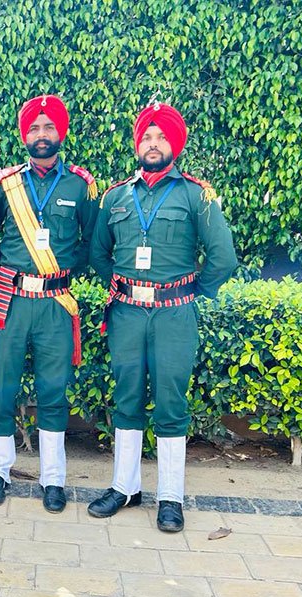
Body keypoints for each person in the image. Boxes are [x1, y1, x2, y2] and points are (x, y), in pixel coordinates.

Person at [88, 102, 237, 532]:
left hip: (174, 315)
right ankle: (125, 487)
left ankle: (170, 497)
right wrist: (120, 284)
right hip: (127, 313)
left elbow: (222, 257)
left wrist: (195, 290)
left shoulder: (196, 194)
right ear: (138, 144)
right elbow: (99, 252)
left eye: (160, 138)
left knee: (171, 404)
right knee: (126, 398)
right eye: (146, 138)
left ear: (175, 144)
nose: (152, 145)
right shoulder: (115, 196)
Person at [0, 95, 98, 513]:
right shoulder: (6, 183)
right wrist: (9, 273)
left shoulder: (80, 185)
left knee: (53, 392)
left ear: (59, 133)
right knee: (2, 389)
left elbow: (91, 243)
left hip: (55, 303)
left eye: (48, 128)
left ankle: (53, 479)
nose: (41, 135)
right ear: (24, 135)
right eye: (34, 128)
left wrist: (61, 272)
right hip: (10, 300)